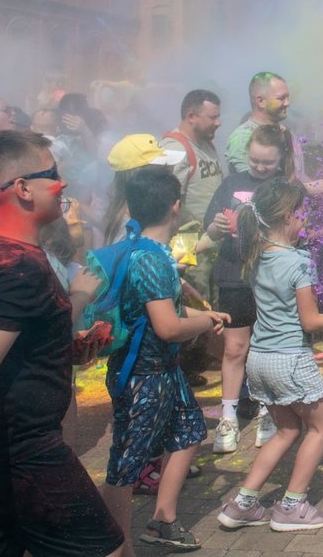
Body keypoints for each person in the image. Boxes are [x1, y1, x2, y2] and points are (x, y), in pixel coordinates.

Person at [0, 130, 124, 557]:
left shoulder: (6, 250)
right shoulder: (14, 267)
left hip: (10, 451)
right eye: (54, 174)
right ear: (22, 188)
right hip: (24, 454)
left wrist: (61, 343)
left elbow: (8, 342)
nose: (64, 185)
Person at [217, 180, 323, 532]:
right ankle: (292, 506)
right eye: (304, 212)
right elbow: (311, 320)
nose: (306, 219)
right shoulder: (299, 261)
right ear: (290, 215)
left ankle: (243, 504)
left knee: (286, 430)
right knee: (322, 426)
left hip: (259, 358)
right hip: (290, 359)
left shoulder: (257, 253)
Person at [99, 166, 230, 555]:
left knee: (190, 432)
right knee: (125, 464)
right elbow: (168, 327)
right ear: (176, 206)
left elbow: (168, 314)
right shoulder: (150, 260)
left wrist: (209, 317)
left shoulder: (151, 251)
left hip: (165, 371)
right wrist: (203, 322)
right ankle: (119, 546)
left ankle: (163, 522)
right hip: (143, 375)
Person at [205, 124, 290, 452]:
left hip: (270, 277)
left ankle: (270, 410)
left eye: (267, 162)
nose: (260, 167)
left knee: (268, 346)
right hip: (234, 274)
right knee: (235, 348)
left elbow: (297, 231)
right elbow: (209, 226)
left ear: (280, 159)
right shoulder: (232, 182)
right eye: (255, 160)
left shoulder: (285, 188)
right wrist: (217, 225)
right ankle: (228, 417)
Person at [160, 89, 224, 226]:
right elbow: (167, 204)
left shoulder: (207, 143)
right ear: (191, 117)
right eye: (213, 117)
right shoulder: (174, 149)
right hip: (188, 240)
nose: (219, 123)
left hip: (210, 237)